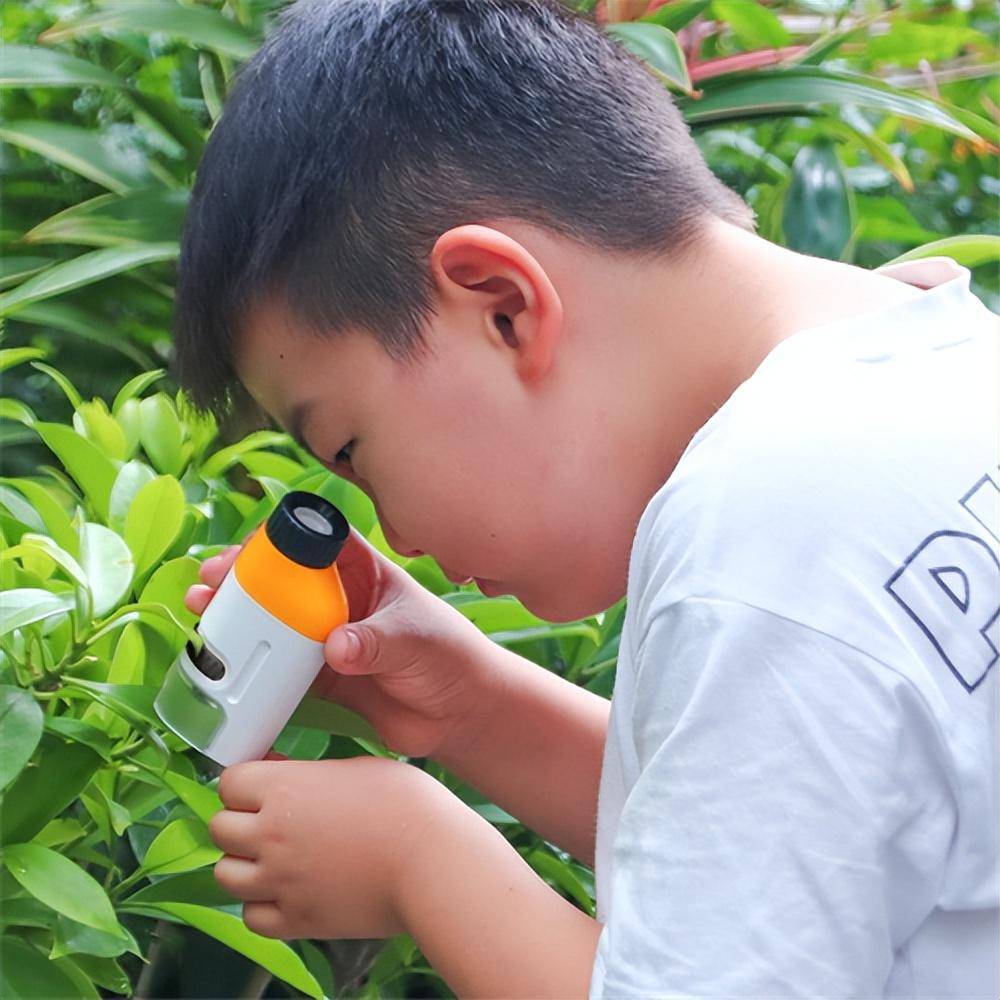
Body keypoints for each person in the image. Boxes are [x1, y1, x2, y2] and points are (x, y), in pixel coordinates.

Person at [173, 0, 999, 996]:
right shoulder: (925, 375)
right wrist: (473, 706)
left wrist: (420, 863)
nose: (402, 536)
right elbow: (781, 833)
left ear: (503, 305)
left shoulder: (771, 537)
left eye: (350, 447)